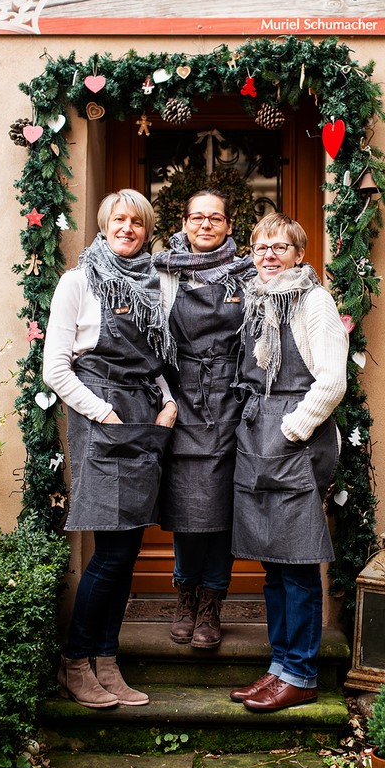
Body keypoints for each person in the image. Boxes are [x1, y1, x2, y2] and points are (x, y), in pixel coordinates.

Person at [43, 189, 177, 709]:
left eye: (137, 222)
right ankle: (77, 663)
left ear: (147, 231)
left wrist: (168, 403)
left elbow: (157, 359)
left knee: (126, 553)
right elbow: (56, 369)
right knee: (112, 554)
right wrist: (103, 413)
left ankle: (106, 662)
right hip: (105, 422)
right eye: (119, 220)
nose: (128, 228)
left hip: (145, 419)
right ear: (103, 225)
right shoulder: (78, 282)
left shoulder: (153, 284)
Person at [229, 213, 348, 712]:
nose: (269, 255)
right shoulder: (256, 303)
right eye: (260, 247)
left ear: (299, 254)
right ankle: (280, 667)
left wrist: (291, 430)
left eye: (280, 247)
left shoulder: (314, 301)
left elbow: (331, 381)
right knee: (273, 562)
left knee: (296, 561)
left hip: (296, 441)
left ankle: (300, 673)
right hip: (258, 435)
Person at [154, 190, 256, 648]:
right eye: (198, 217)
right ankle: (185, 599)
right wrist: (162, 397)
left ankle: (212, 606)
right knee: (187, 509)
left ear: (229, 225)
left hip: (231, 403)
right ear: (184, 222)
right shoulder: (162, 274)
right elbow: (147, 341)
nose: (206, 225)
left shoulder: (250, 275)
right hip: (181, 403)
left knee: (222, 512)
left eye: (216, 218)